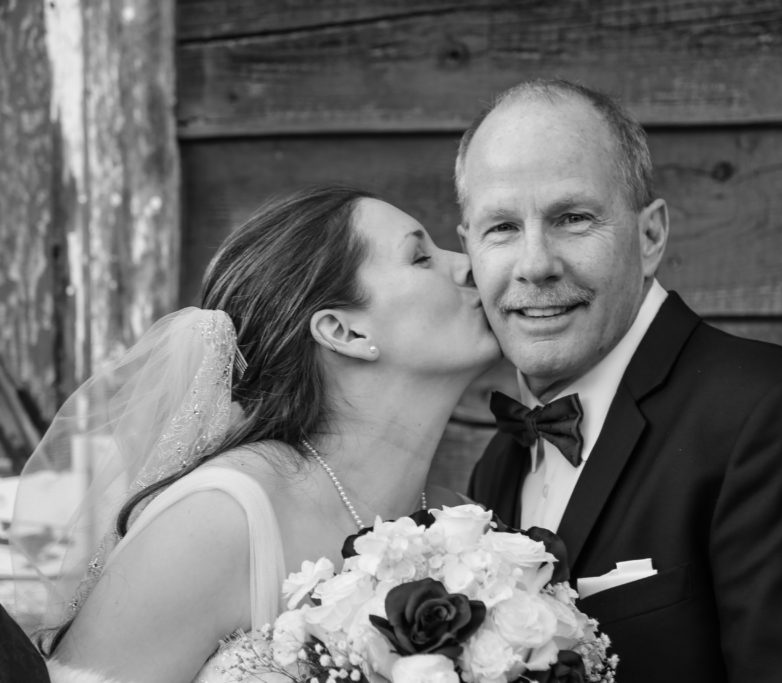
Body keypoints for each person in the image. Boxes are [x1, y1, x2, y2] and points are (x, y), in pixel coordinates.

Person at [459, 79, 782, 682]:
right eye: (501, 227)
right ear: (468, 247)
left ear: (650, 237)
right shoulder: (501, 462)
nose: (535, 263)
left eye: (572, 218)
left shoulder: (771, 416)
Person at [11, 186, 500, 682]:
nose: (467, 264)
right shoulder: (219, 519)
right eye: (421, 257)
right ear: (344, 332)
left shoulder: (460, 522)